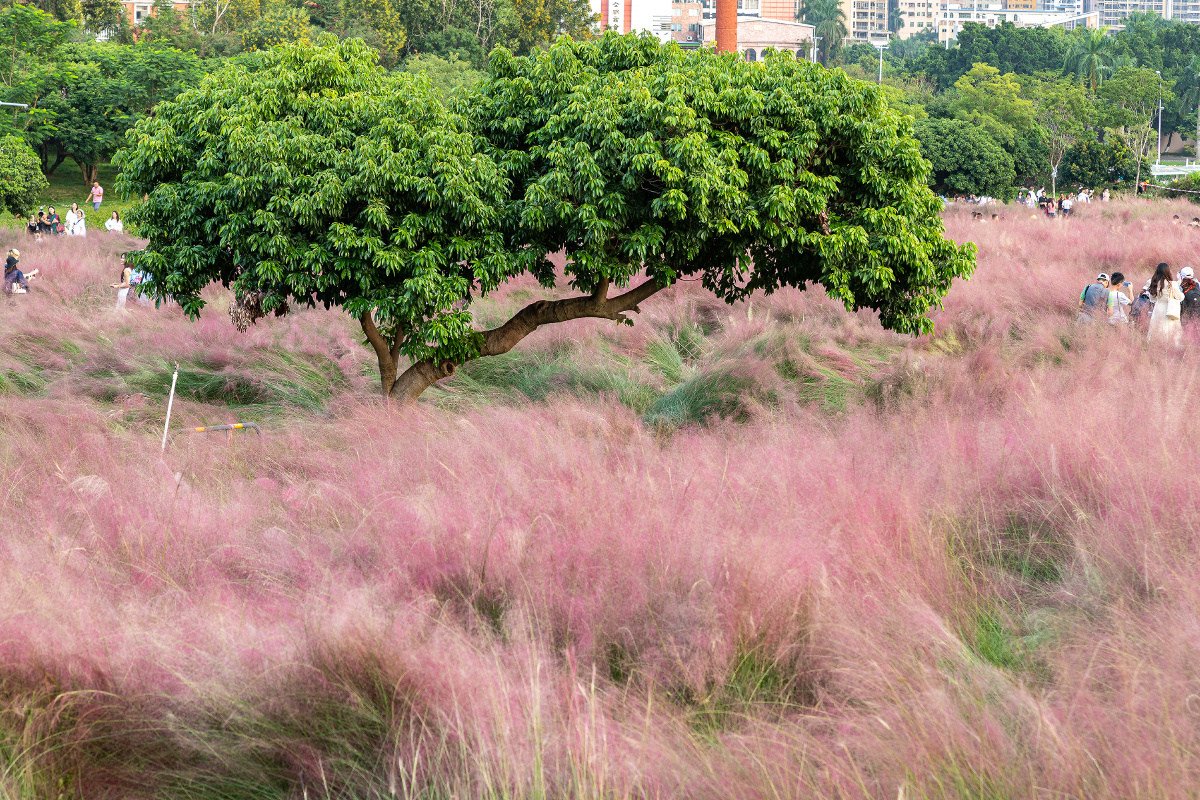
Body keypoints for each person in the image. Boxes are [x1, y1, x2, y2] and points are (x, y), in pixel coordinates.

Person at [1148, 261, 1185, 346]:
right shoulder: (1172, 284)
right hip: (1169, 309)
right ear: (1168, 271)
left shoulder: (1154, 283)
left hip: (1158, 310)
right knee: (1170, 331)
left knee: (1157, 330)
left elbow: (1152, 299)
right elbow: (1180, 297)